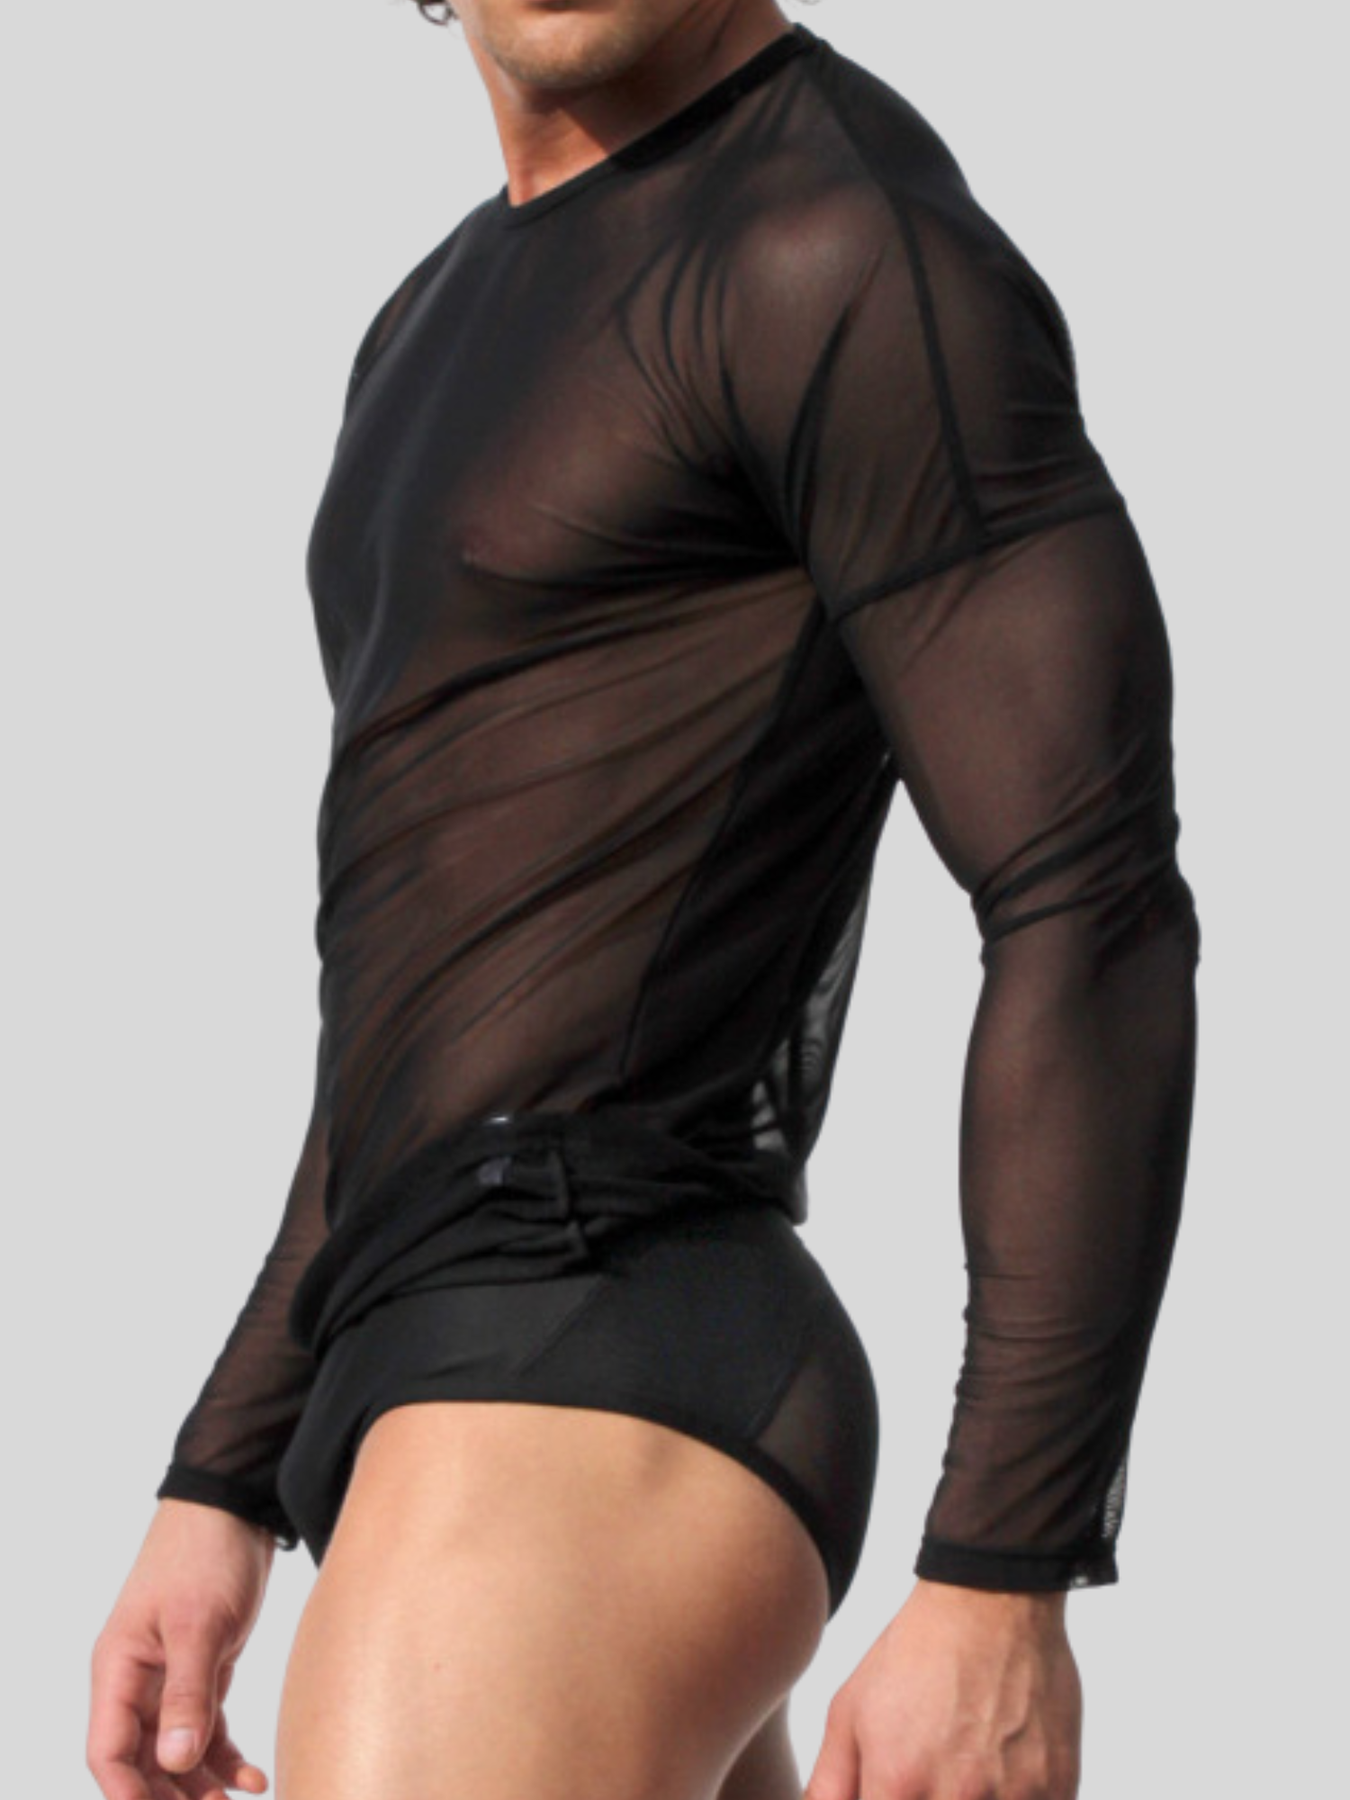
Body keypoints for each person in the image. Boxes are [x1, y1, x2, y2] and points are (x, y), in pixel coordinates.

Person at [87, 3, 1201, 1797]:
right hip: (455, 1366)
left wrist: (1004, 1572)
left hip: (595, 1356)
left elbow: (1091, 896)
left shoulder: (837, 243)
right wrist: (222, 1475)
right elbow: (428, 984)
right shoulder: (428, 319)